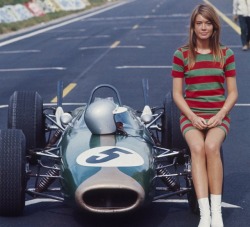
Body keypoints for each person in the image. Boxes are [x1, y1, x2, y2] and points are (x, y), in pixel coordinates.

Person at [171, 4, 238, 227]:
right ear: (192, 26)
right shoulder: (181, 55)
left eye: (208, 23)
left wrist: (221, 114)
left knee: (211, 147)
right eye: (199, 23)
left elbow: (233, 93)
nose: (203, 28)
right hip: (191, 116)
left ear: (214, 26)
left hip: (218, 116)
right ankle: (205, 214)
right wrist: (191, 116)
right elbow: (177, 95)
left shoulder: (226, 54)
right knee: (197, 149)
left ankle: (216, 213)